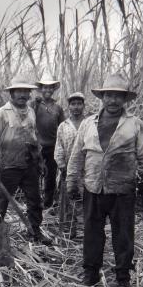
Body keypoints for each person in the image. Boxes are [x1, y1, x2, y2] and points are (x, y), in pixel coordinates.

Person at [67, 74, 143, 287]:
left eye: (118, 96)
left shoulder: (135, 124)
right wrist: (71, 181)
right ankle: (90, 273)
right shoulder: (88, 124)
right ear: (102, 97)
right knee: (91, 233)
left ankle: (123, 277)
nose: (113, 100)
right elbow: (77, 155)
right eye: (109, 95)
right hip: (93, 187)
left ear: (125, 99)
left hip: (122, 189)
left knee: (123, 235)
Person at [0, 76, 52, 246]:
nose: (23, 95)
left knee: (35, 200)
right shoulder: (1, 113)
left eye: (26, 91)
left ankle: (35, 231)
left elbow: (34, 137)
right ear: (11, 93)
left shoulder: (31, 111)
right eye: (19, 91)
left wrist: (40, 161)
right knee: (1, 201)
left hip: (30, 164)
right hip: (9, 166)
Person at [29, 71, 65, 208]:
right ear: (41, 89)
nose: (48, 89)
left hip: (52, 147)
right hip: (36, 146)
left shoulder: (58, 107)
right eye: (45, 87)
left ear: (53, 89)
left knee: (50, 176)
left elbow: (62, 126)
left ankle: (48, 203)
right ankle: (34, 202)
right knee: (34, 175)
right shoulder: (34, 104)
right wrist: (36, 105)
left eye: (50, 87)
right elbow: (28, 121)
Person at [54, 92, 86, 238]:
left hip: (86, 171)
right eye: (73, 104)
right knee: (68, 202)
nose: (76, 107)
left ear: (83, 106)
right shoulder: (63, 126)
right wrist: (62, 167)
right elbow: (59, 148)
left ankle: (86, 231)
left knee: (85, 202)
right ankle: (70, 232)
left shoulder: (90, 123)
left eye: (79, 104)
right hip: (67, 170)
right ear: (68, 107)